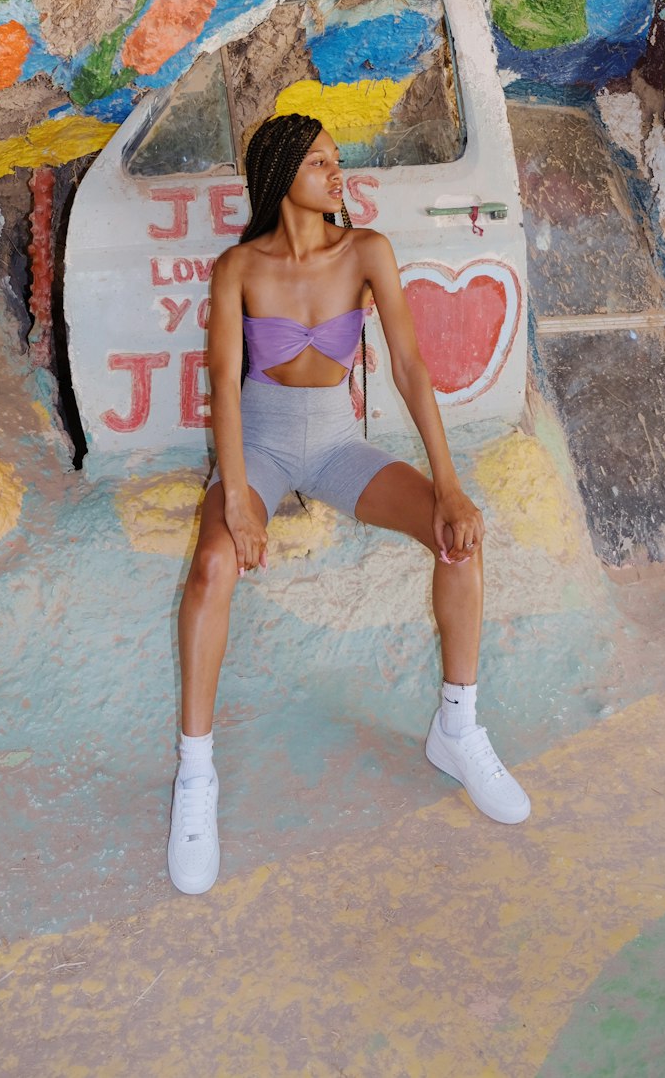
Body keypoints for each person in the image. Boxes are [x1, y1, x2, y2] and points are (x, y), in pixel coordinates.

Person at [168, 112, 530, 894]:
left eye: (337, 160)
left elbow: (408, 366)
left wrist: (450, 483)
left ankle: (457, 728)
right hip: (259, 450)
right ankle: (196, 776)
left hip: (337, 448)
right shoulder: (237, 268)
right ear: (279, 178)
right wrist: (238, 502)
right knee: (208, 569)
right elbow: (224, 393)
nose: (336, 174)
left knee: (458, 538)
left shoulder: (367, 252)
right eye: (319, 163)